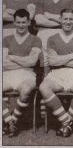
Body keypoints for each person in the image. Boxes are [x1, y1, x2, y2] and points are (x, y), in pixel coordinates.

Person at [39, 9, 73, 137]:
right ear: (60, 19)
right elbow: (52, 61)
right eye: (65, 19)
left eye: (70, 19)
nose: (68, 22)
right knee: (44, 87)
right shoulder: (52, 39)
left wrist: (60, 59)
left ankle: (65, 125)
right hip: (57, 73)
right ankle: (66, 122)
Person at [3, 9, 42, 137]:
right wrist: (23, 61)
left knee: (25, 90)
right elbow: (3, 62)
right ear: (14, 22)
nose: (21, 25)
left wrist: (13, 57)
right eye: (18, 22)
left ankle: (13, 120)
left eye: (23, 22)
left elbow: (32, 62)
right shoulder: (6, 39)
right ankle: (10, 121)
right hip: (8, 74)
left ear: (29, 22)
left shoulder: (36, 39)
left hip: (27, 74)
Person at [34, 0, 73, 71]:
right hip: (45, 32)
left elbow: (70, 22)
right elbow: (39, 20)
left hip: (63, 33)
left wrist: (48, 16)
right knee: (46, 65)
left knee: (63, 64)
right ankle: (46, 83)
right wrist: (61, 20)